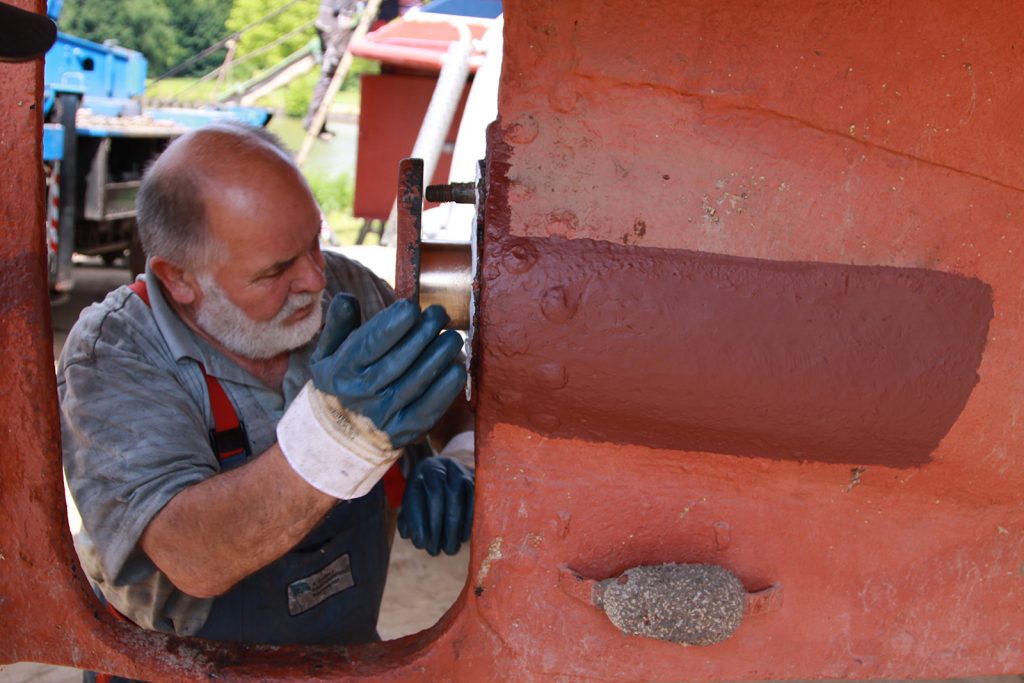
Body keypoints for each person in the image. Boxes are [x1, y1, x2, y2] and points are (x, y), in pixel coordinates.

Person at [58, 122, 475, 660]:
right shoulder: (114, 353)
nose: (314, 279)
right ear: (179, 279)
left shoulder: (346, 286)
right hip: (182, 670)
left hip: (341, 660)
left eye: (315, 242)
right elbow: (192, 557)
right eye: (275, 270)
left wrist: (461, 456)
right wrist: (336, 440)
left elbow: (449, 391)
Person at [302, 0, 360, 137]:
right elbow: (342, 12)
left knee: (328, 76)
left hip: (327, 22)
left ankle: (316, 122)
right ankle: (314, 122)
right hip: (334, 26)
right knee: (329, 75)